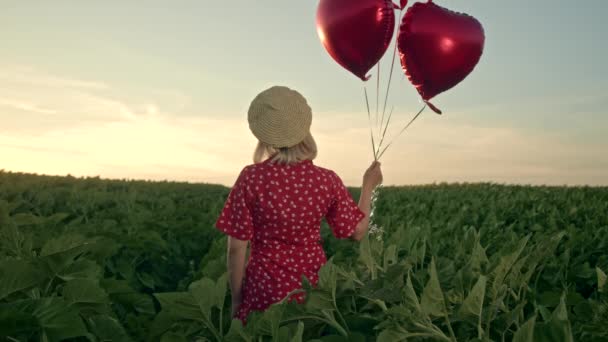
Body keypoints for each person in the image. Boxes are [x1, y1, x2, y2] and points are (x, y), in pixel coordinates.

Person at [215, 85, 383, 323]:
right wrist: (368, 186)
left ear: (264, 135)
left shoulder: (251, 177)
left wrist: (237, 299)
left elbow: (236, 248)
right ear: (305, 129)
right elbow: (357, 232)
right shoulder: (326, 179)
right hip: (314, 290)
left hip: (265, 288)